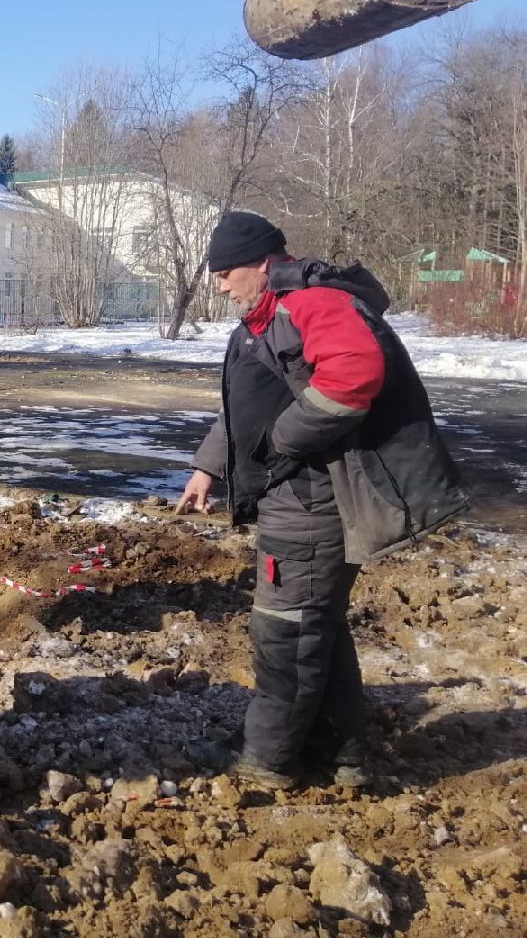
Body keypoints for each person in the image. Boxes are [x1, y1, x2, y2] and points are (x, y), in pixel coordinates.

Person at [176, 209, 467, 790]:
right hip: (297, 496)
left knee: (285, 629)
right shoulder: (265, 316)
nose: (218, 282)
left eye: (227, 270)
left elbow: (355, 373)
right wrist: (209, 466)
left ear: (261, 263)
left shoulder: (310, 303)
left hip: (311, 502)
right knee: (319, 624)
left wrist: (286, 439)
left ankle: (268, 759)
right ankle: (342, 752)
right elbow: (246, 408)